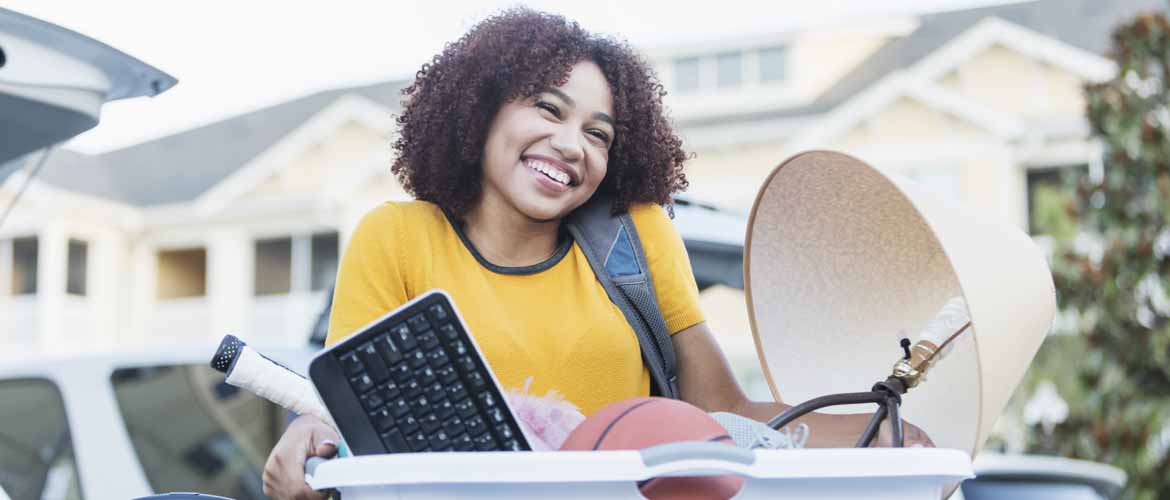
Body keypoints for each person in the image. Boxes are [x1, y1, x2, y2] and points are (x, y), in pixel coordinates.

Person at [262, 8, 932, 499]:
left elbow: (729, 418)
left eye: (598, 133)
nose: (572, 144)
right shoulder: (395, 237)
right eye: (548, 110)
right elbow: (344, 415)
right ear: (482, 110)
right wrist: (305, 442)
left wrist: (881, 435)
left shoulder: (635, 233)